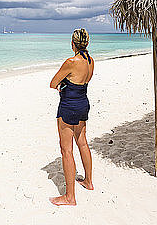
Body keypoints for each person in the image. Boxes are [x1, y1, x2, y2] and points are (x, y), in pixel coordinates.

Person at [49, 28, 95, 206]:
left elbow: (53, 83)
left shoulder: (71, 61)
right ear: (87, 43)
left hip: (69, 106)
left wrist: (62, 85)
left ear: (73, 43)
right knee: (82, 142)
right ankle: (88, 182)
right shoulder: (90, 61)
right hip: (83, 103)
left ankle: (69, 197)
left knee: (66, 150)